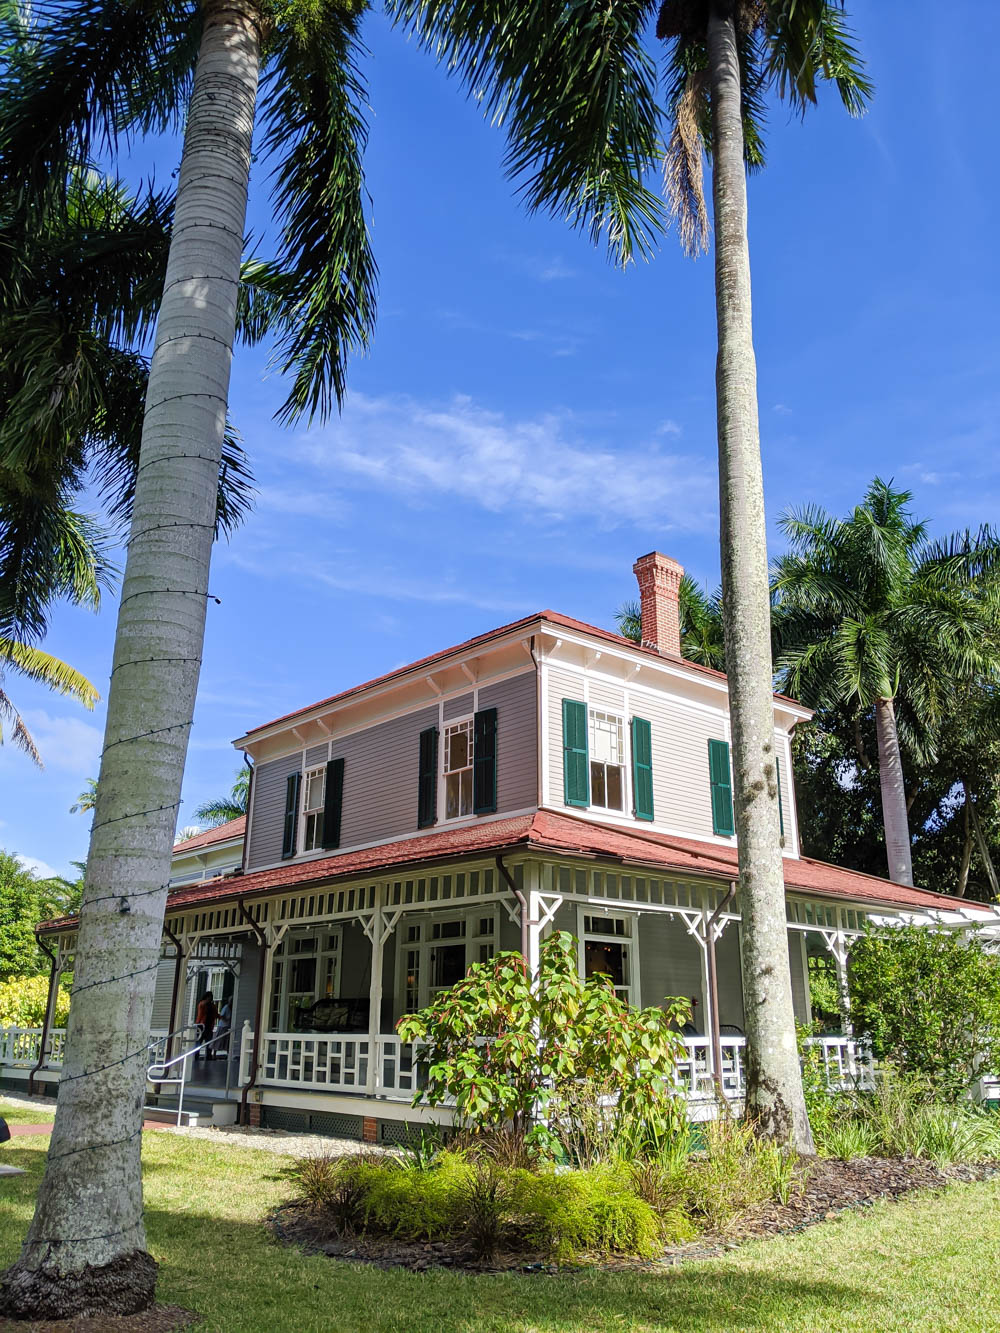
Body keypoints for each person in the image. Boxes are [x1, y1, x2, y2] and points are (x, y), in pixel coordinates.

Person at [194, 991, 217, 1060]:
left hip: (209, 1026)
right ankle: (196, 1055)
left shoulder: (212, 1005)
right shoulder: (202, 1004)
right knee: (199, 1041)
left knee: (209, 1042)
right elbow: (200, 1014)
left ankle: (208, 1056)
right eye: (209, 997)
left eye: (211, 997)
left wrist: (221, 1017)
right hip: (201, 1025)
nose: (210, 998)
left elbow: (215, 1014)